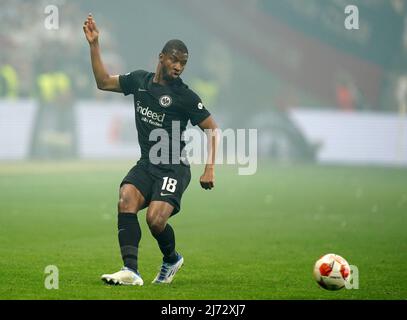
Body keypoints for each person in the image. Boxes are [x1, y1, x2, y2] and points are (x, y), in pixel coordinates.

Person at [83, 14, 218, 285]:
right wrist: (95, 44)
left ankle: (171, 258)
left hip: (173, 166)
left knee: (156, 220)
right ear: (161, 57)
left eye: (183, 63)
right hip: (147, 163)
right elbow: (102, 81)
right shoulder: (139, 81)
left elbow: (213, 129)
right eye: (174, 60)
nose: (179, 66)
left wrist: (209, 168)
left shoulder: (186, 97)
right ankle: (130, 270)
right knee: (126, 198)